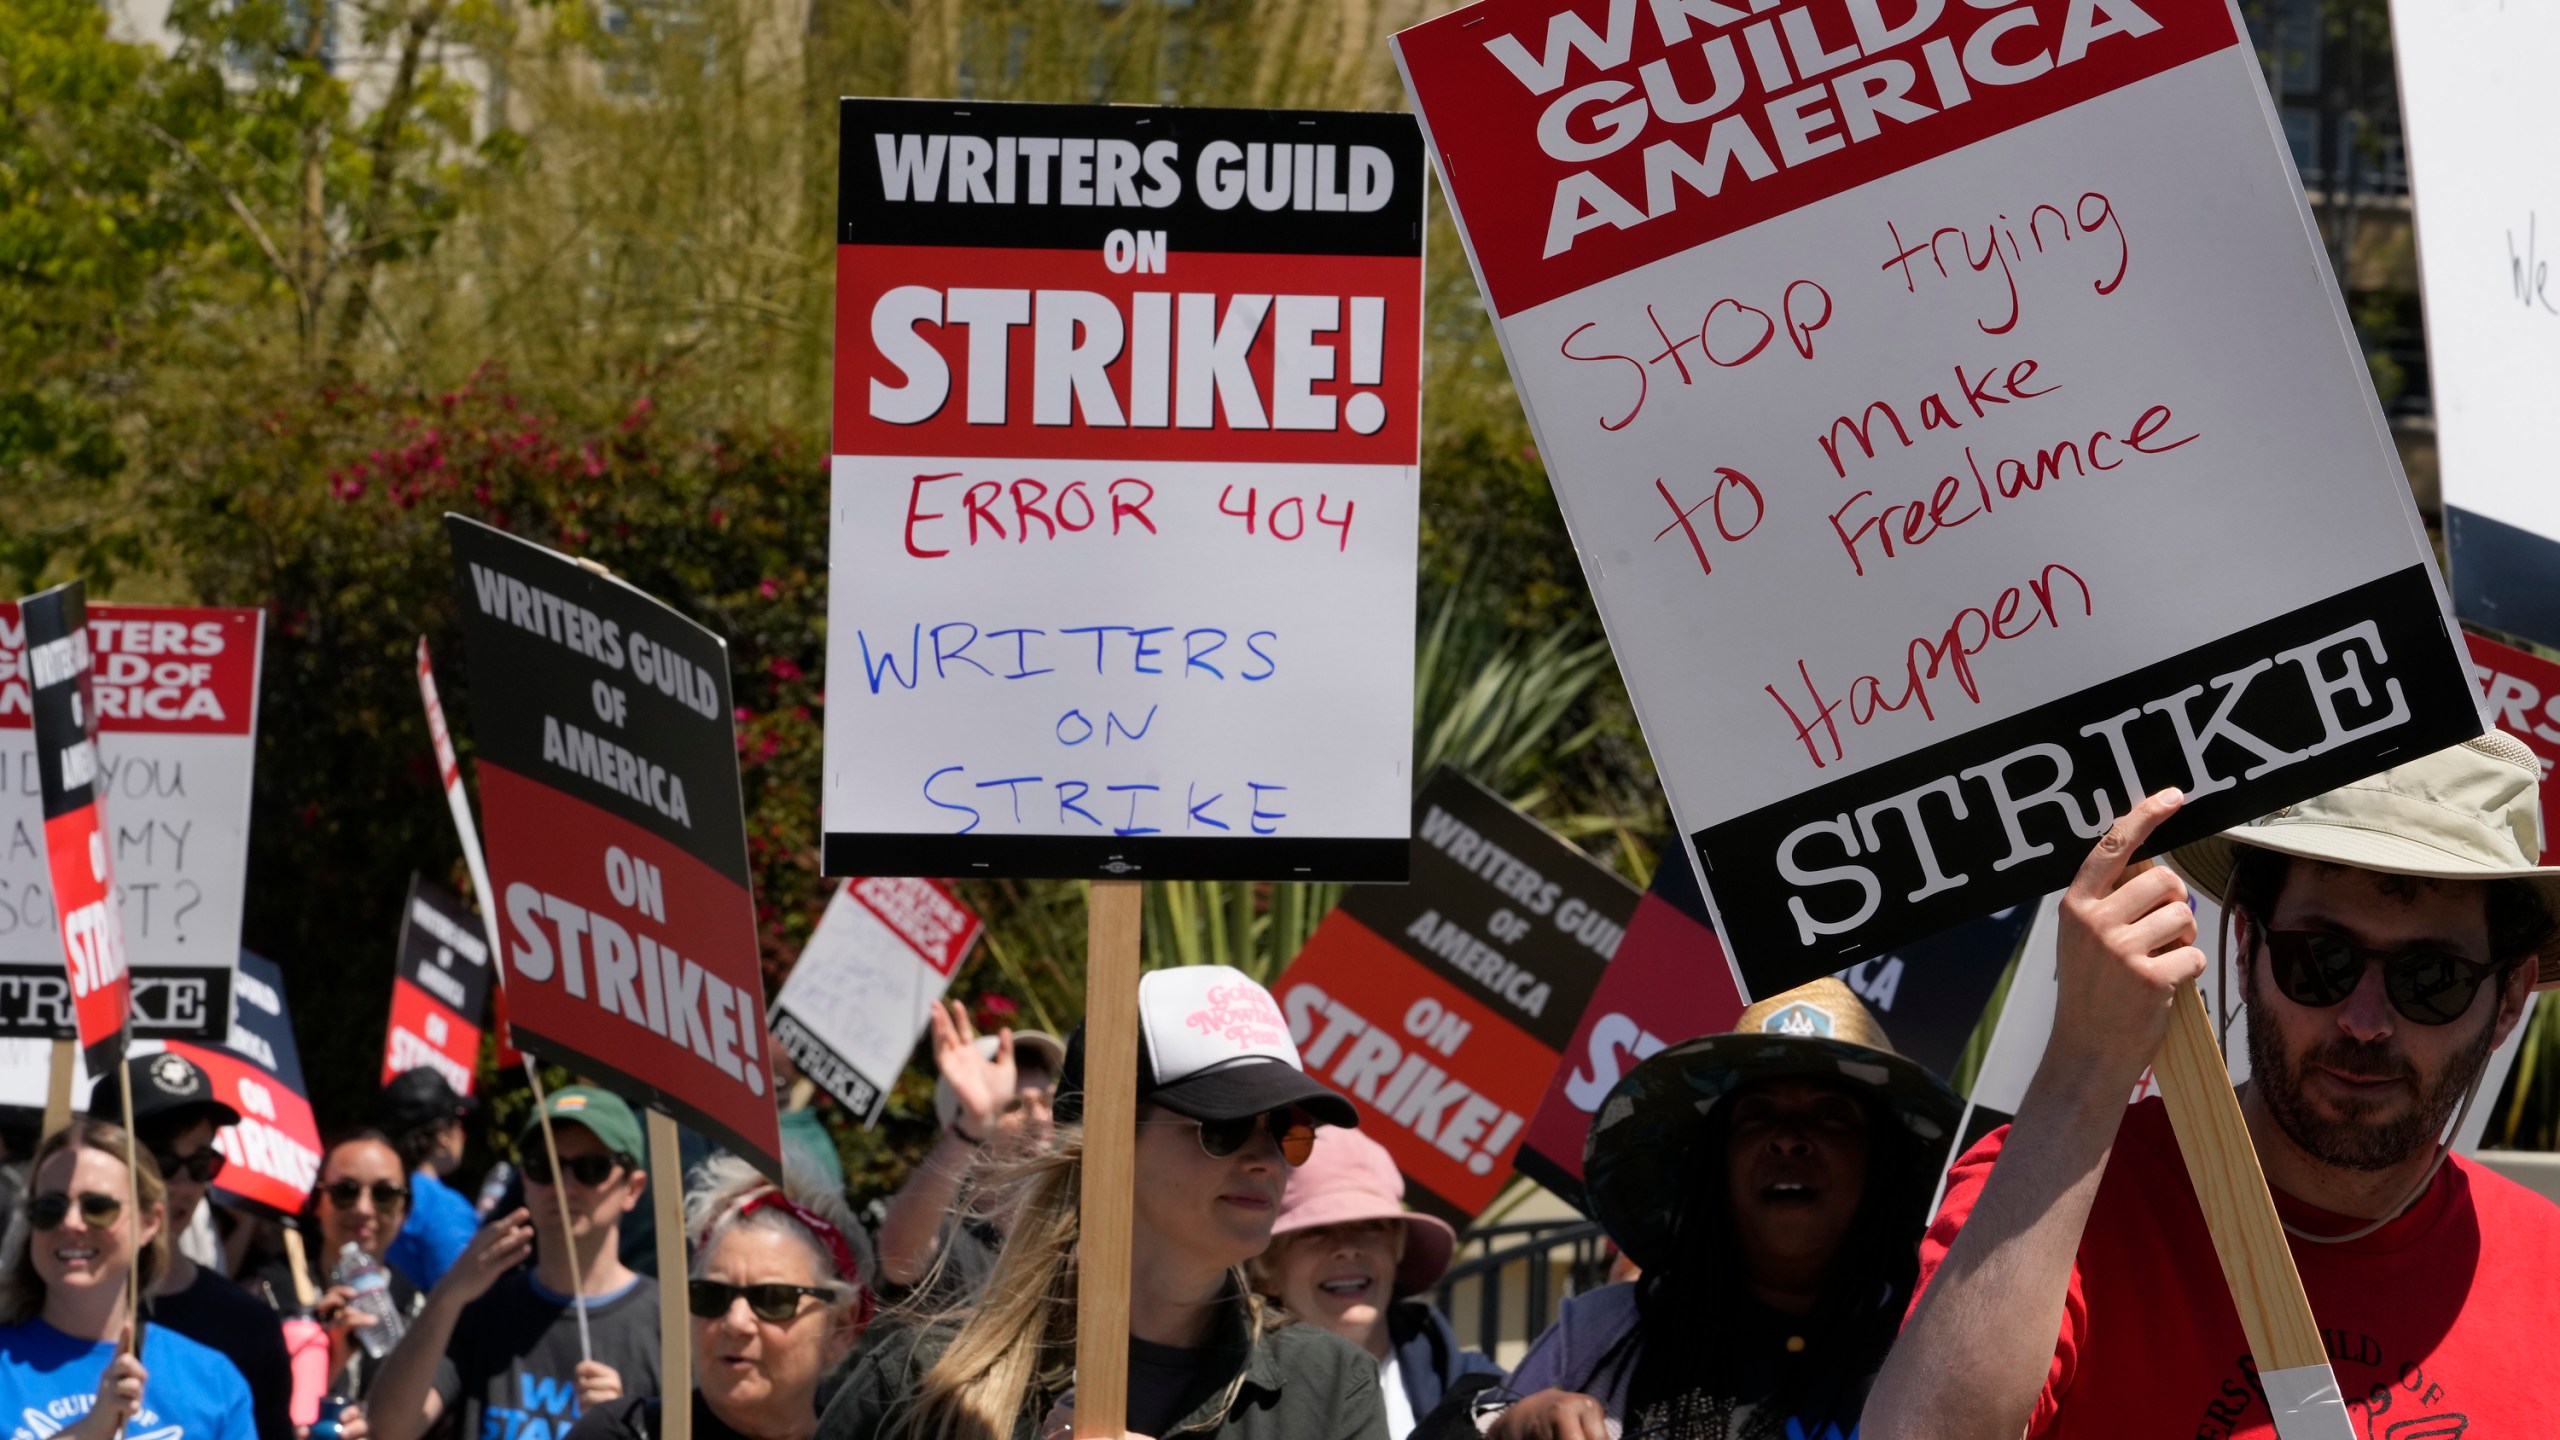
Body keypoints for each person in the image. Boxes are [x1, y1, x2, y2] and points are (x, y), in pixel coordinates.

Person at [1869, 735, 2560, 1436]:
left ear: (2509, 999)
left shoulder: (2550, 1276)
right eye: (2319, 960)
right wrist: (2083, 1061)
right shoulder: (2049, 1194)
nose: (2363, 1021)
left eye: (2430, 980)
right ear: (2246, 945)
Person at [820, 965, 1390, 1440]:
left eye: (1290, 1130)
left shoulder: (1333, 1388)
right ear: (1110, 1141)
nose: (1268, 1158)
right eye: (1226, 1126)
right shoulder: (922, 1386)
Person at [1460, 978, 1957, 1440]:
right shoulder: (1599, 1332)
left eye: (1831, 1117)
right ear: (1713, 1165)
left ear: (1884, 1165)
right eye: (1756, 1116)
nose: (1787, 1140)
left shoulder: (1946, 1339)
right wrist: (1512, 1424)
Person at [369, 1086, 662, 1440]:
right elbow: (387, 1430)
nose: (564, 1185)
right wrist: (447, 1295)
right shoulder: (481, 1308)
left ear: (633, 1188)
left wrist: (628, 1428)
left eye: (591, 1168)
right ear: (525, 1180)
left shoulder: (670, 1325)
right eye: (543, 1167)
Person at [568, 1156, 875, 1440]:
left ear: (840, 1329)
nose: (735, 1322)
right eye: (712, 1295)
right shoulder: (620, 1432)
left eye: (772, 1299)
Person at [0, 1118, 262, 1440]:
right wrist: (91, 1430)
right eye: (49, 1207)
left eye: (97, 1207)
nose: (70, 1223)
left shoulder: (213, 1380)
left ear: (151, 1221)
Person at [85, 1051, 299, 1440]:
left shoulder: (248, 1327)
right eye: (159, 1161)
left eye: (201, 1164)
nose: (181, 1184)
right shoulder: (40, 1310)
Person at [1253, 1128, 1496, 1440]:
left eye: (1371, 1226)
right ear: (1267, 1270)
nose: (1348, 1248)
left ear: (1397, 1249)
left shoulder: (1476, 1387)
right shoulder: (1229, 1397)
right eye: (1315, 1231)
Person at [872, 1002, 1064, 1302]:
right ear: (959, 1127)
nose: (1041, 1119)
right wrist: (974, 1123)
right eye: (1013, 1106)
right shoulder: (939, 1226)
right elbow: (898, 1257)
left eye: (1048, 1101)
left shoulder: (1064, 1235)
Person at [303, 1130, 431, 1404]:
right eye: (345, 1192)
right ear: (317, 1201)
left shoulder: (423, 1314)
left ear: (405, 1210)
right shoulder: (273, 1294)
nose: (363, 1208)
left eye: (384, 1194)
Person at [378, 1069, 481, 1293]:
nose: (463, 1132)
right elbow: (465, 1299)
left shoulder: (371, 1193)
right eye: (459, 1119)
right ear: (442, 1134)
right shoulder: (444, 1207)